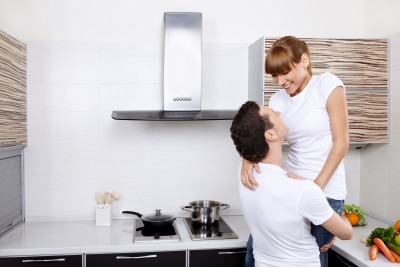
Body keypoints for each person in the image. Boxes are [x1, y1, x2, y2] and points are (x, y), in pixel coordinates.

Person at [241, 36, 349, 267]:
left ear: (304, 61)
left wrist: (314, 189)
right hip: (289, 188)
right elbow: (260, 133)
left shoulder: (326, 85)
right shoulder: (277, 100)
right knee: (256, 252)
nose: (280, 81)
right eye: (274, 75)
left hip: (325, 190)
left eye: (285, 72)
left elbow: (341, 143)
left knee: (308, 258)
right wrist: (246, 159)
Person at [230, 101, 353, 267]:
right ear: (270, 134)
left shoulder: (244, 174)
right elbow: (347, 233)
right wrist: (341, 215)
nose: (279, 114)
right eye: (274, 113)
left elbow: (246, 138)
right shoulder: (304, 190)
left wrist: (246, 157)